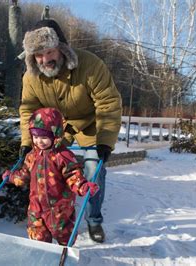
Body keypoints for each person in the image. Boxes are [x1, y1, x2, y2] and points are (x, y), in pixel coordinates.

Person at [18, 19, 122, 243]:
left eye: (49, 51)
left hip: (91, 124)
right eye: (38, 55)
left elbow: (108, 103)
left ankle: (94, 219)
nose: (45, 59)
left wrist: (105, 141)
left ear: (62, 48)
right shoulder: (31, 77)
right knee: (46, 165)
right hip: (55, 129)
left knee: (93, 168)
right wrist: (27, 143)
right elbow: (29, 110)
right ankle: (56, 214)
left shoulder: (90, 65)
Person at [2, 107, 99, 245]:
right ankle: (43, 255)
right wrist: (11, 177)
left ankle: (64, 253)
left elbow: (73, 175)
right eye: (35, 137)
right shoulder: (31, 156)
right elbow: (24, 175)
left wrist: (83, 186)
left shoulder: (63, 156)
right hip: (36, 207)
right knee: (38, 237)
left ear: (56, 135)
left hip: (60, 210)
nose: (39, 141)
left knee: (64, 234)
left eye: (44, 137)